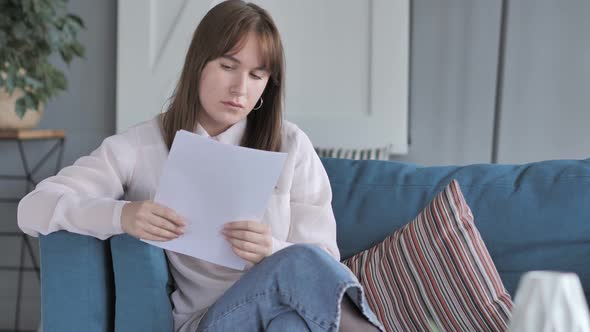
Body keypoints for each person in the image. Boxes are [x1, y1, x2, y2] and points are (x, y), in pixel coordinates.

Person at [18, 1, 384, 331]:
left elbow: (323, 259)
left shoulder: (291, 145)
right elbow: (32, 208)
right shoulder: (143, 146)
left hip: (283, 311)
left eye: (257, 76)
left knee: (291, 317)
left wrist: (270, 249)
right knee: (295, 270)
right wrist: (123, 215)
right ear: (198, 65)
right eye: (228, 66)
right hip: (210, 321)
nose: (240, 87)